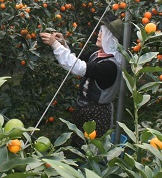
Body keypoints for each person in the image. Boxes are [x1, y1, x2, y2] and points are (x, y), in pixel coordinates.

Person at [39, 15, 125, 146]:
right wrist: (63, 44)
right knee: (79, 142)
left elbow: (79, 68)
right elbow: (75, 60)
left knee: (92, 147)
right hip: (84, 108)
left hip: (98, 114)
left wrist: (55, 45)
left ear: (110, 38)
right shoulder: (96, 54)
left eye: (103, 33)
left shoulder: (110, 66)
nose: (99, 35)